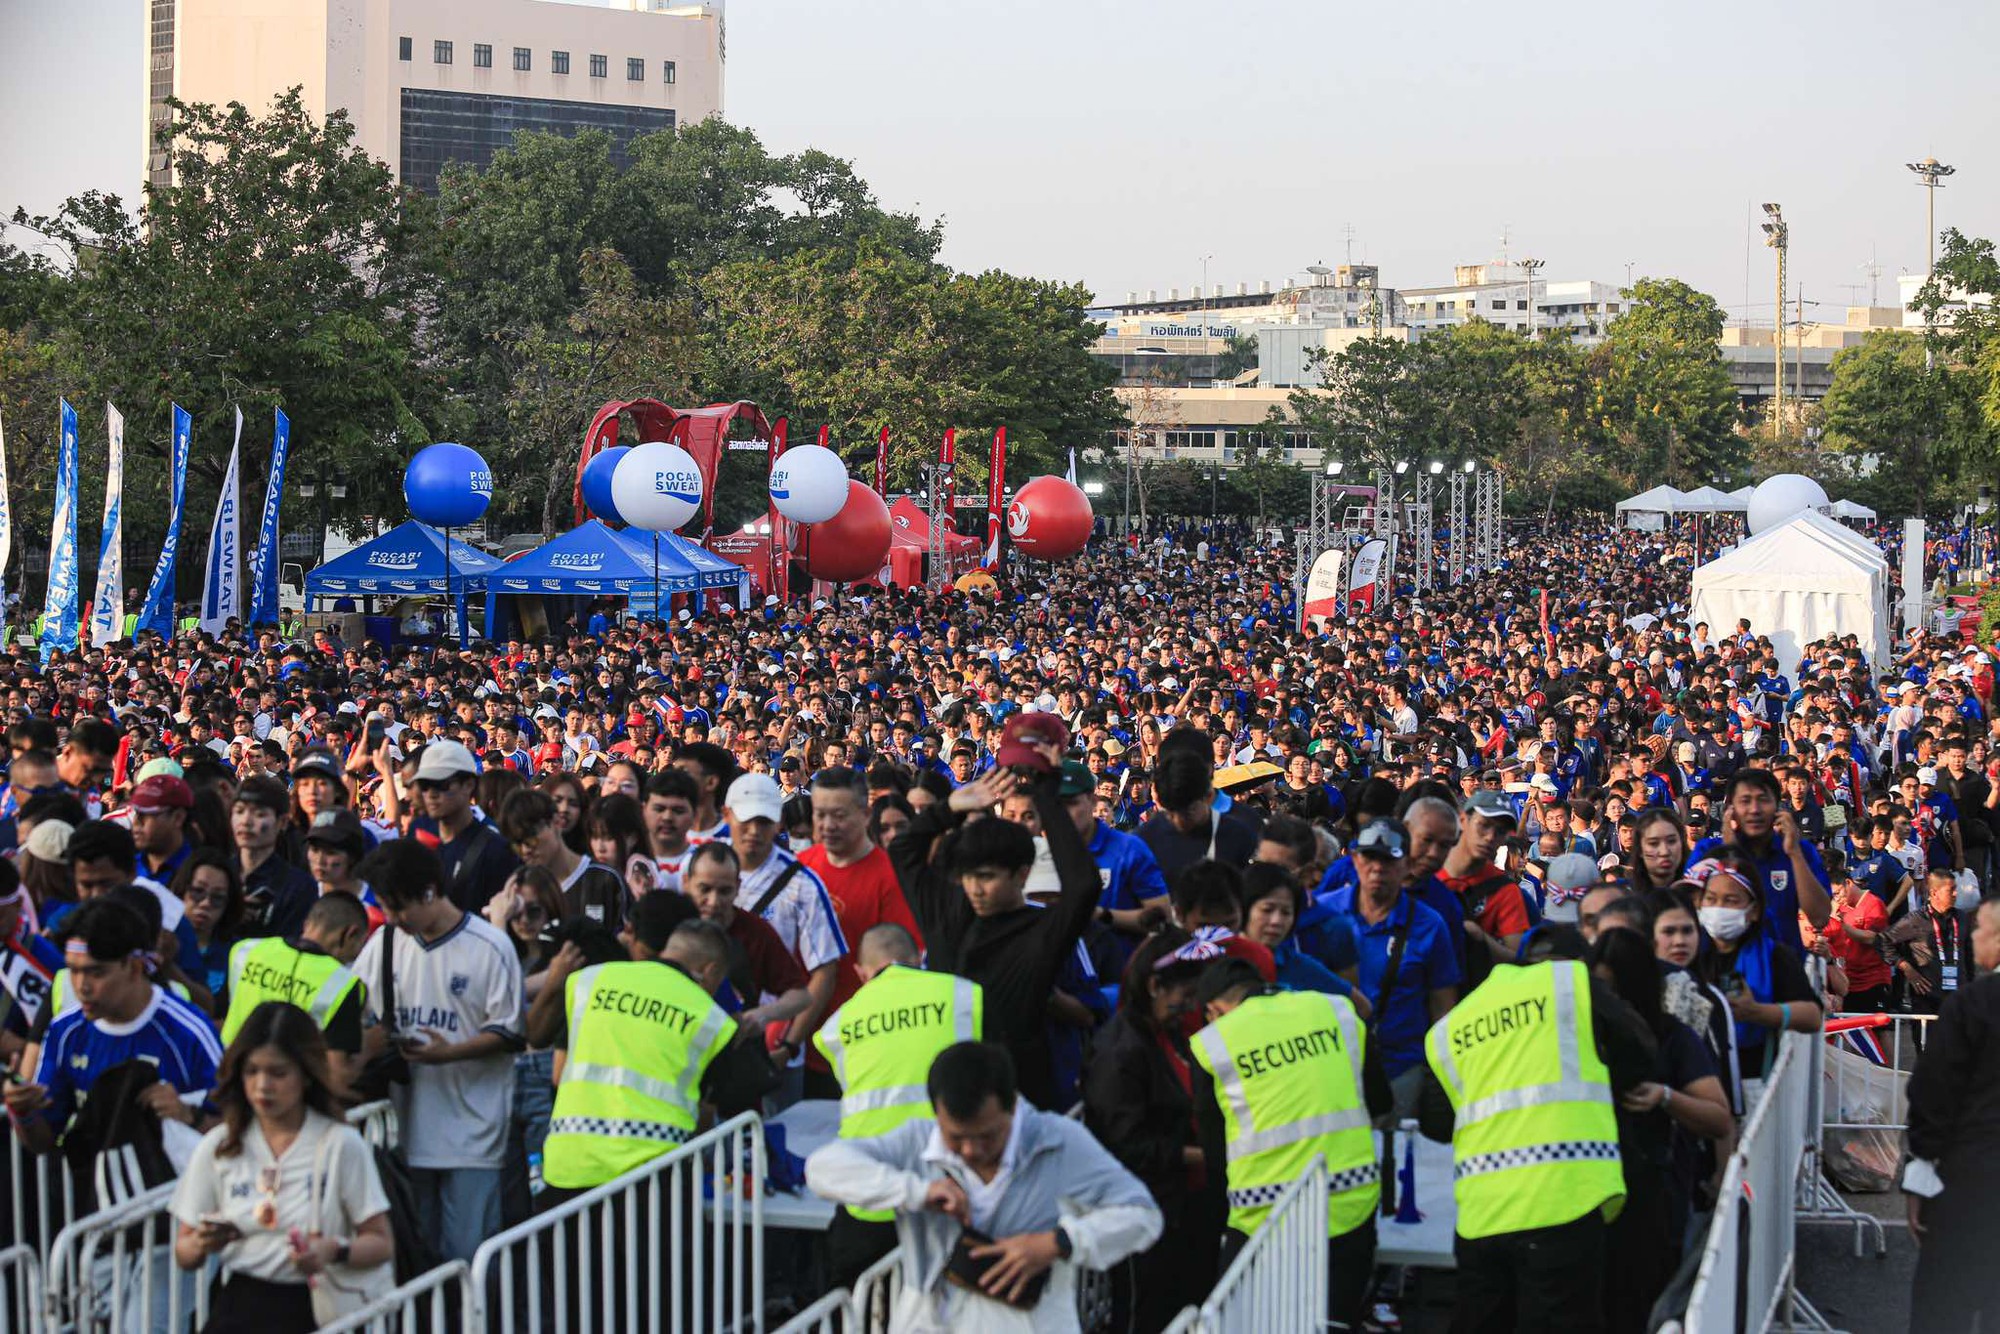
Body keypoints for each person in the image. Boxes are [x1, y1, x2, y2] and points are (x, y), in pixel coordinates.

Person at [805, 1041, 1163, 1334]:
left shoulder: (1060, 1140)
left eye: (988, 1136)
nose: (971, 1150)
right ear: (936, 1115)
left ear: (1013, 1106)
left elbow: (1142, 1215)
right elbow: (823, 1168)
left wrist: (1060, 1242)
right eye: (955, 1138)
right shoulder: (916, 1142)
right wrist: (917, 1191)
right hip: (929, 1322)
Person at [1418, 952, 1658, 1334]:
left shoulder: (1450, 1029)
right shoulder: (1568, 983)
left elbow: (1436, 1123)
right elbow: (1640, 1050)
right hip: (1563, 1198)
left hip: (1482, 1212)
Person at [889, 756, 1101, 1111]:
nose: (975, 888)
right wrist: (953, 806)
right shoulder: (944, 913)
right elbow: (903, 849)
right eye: (968, 876)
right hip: (948, 1093)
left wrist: (1046, 799)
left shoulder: (1040, 931)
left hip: (1022, 1100)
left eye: (987, 877)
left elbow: (1083, 886)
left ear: (1020, 875)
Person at [1192, 954, 1390, 1332]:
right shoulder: (1337, 1011)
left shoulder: (1212, 1043)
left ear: (1213, 1010)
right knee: (1332, 1324)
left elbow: (1215, 1153)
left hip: (1261, 1220)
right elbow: (1380, 1101)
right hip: (1350, 1205)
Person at [171, 1002, 395, 1333]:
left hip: (315, 1305)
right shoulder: (219, 1145)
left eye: (278, 1073)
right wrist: (204, 1242)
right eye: (252, 1071)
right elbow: (184, 1251)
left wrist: (333, 1250)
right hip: (240, 1302)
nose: (263, 1086)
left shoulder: (339, 1144)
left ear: (305, 1075)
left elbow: (381, 1242)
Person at [352, 837, 523, 1263]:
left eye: (398, 906)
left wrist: (449, 1052)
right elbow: (356, 1011)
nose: (392, 917)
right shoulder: (385, 943)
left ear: (429, 892)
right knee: (415, 1259)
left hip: (473, 1131)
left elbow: (508, 1032)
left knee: (467, 1258)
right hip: (405, 1130)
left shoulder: (490, 946)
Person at [538, 916, 773, 1196]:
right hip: (654, 1178)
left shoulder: (593, 981)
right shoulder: (711, 1020)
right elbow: (705, 1115)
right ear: (709, 971)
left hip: (569, 1166)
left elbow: (557, 1070)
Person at [813, 922, 984, 1289]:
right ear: (919, 958)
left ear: (861, 973)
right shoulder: (964, 995)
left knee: (860, 1304)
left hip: (872, 1187)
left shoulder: (835, 1026)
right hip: (952, 1182)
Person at [1586, 927, 1734, 1332]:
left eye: (1615, 989)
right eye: (1598, 987)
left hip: (1652, 1200)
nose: (1607, 1001)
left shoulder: (1672, 1036)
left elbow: (1719, 1118)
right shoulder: (1576, 1032)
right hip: (1584, 1199)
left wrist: (1666, 1097)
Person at [5, 898, 223, 1159]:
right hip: (93, 1195)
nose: (81, 986)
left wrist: (190, 1115)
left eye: (95, 973)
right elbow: (45, 1140)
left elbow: (237, 1126)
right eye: (73, 971)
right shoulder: (65, 1032)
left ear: (134, 967)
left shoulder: (189, 1031)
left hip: (177, 1195)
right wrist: (24, 1113)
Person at [1082, 929, 1221, 1333]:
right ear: (1155, 986)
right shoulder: (1120, 1051)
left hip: (1184, 1208)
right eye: (1186, 995)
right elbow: (1123, 1144)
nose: (1192, 1006)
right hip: (1143, 1211)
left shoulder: (1167, 1035)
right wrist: (1204, 1155)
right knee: (1144, 1316)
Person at [1901, 897, 2000, 1332]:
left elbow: (1933, 1094)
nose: (1973, 939)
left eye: (1980, 930)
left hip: (1971, 1182)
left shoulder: (1971, 1005)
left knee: (1947, 1307)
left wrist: (1919, 1173)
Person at [1318, 819, 1461, 1114]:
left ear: (1406, 865)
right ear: (1355, 860)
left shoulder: (1429, 924)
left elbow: (1443, 1009)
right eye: (1370, 857)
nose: (1377, 868)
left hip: (1400, 1069)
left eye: (1389, 859)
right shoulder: (1321, 912)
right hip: (1329, 1067)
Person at [800, 767, 922, 1098]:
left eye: (839, 815)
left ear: (865, 813)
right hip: (800, 1044)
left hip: (861, 1050)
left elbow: (900, 976)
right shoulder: (801, 867)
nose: (827, 825)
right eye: (820, 814)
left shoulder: (890, 879)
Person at [723, 772, 848, 1059]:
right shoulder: (702, 869)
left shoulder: (802, 883)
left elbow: (824, 971)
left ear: (779, 822)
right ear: (727, 815)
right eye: (746, 820)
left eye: (764, 821)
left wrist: (789, 1045)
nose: (754, 830)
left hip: (772, 1043)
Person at [1685, 856, 1822, 1081]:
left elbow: (1812, 1016)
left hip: (1755, 1082)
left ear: (1754, 910)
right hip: (1700, 1081)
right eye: (1711, 899)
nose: (1719, 908)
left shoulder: (1774, 956)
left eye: (1730, 900)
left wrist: (1757, 1012)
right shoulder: (1690, 953)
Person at [219, 891, 371, 1088]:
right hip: (284, 1096)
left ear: (307, 923)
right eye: (360, 943)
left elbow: (219, 1020)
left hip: (229, 1083)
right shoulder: (344, 984)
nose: (355, 955)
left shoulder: (246, 950)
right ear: (350, 933)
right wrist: (370, 1048)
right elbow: (338, 1077)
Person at [678, 842, 815, 1052]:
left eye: (724, 891)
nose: (714, 902)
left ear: (738, 887)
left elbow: (800, 996)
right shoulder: (670, 922)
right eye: (705, 889)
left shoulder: (756, 932)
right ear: (686, 883)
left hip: (736, 1056)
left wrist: (763, 1015)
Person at [1689, 768, 1831, 955]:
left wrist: (1794, 854)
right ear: (1731, 809)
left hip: (1784, 969)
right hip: (1725, 971)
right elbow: (1689, 911)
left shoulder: (1801, 851)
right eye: (1745, 801)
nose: (1755, 810)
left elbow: (1820, 917)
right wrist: (1730, 851)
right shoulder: (1707, 850)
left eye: (1763, 800)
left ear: (1777, 806)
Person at [408, 738, 519, 914]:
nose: (431, 794)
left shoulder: (497, 850)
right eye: (425, 785)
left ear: (469, 785)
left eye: (441, 785)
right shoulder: (419, 829)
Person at [500, 787, 626, 929]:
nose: (525, 850)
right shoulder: (516, 889)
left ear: (556, 822)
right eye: (518, 843)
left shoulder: (606, 880)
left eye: (531, 838)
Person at [1880, 866, 1976, 1015]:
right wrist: (1905, 967)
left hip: (1959, 997)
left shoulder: (1961, 918)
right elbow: (1882, 941)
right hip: (1928, 999)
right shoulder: (1915, 920)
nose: (1956, 893)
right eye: (1951, 890)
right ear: (1934, 893)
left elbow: (1969, 956)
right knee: (1927, 1038)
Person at [231, 775, 317, 939]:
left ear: (282, 822)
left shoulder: (299, 888)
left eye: (259, 814)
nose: (246, 821)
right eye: (239, 811)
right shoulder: (216, 876)